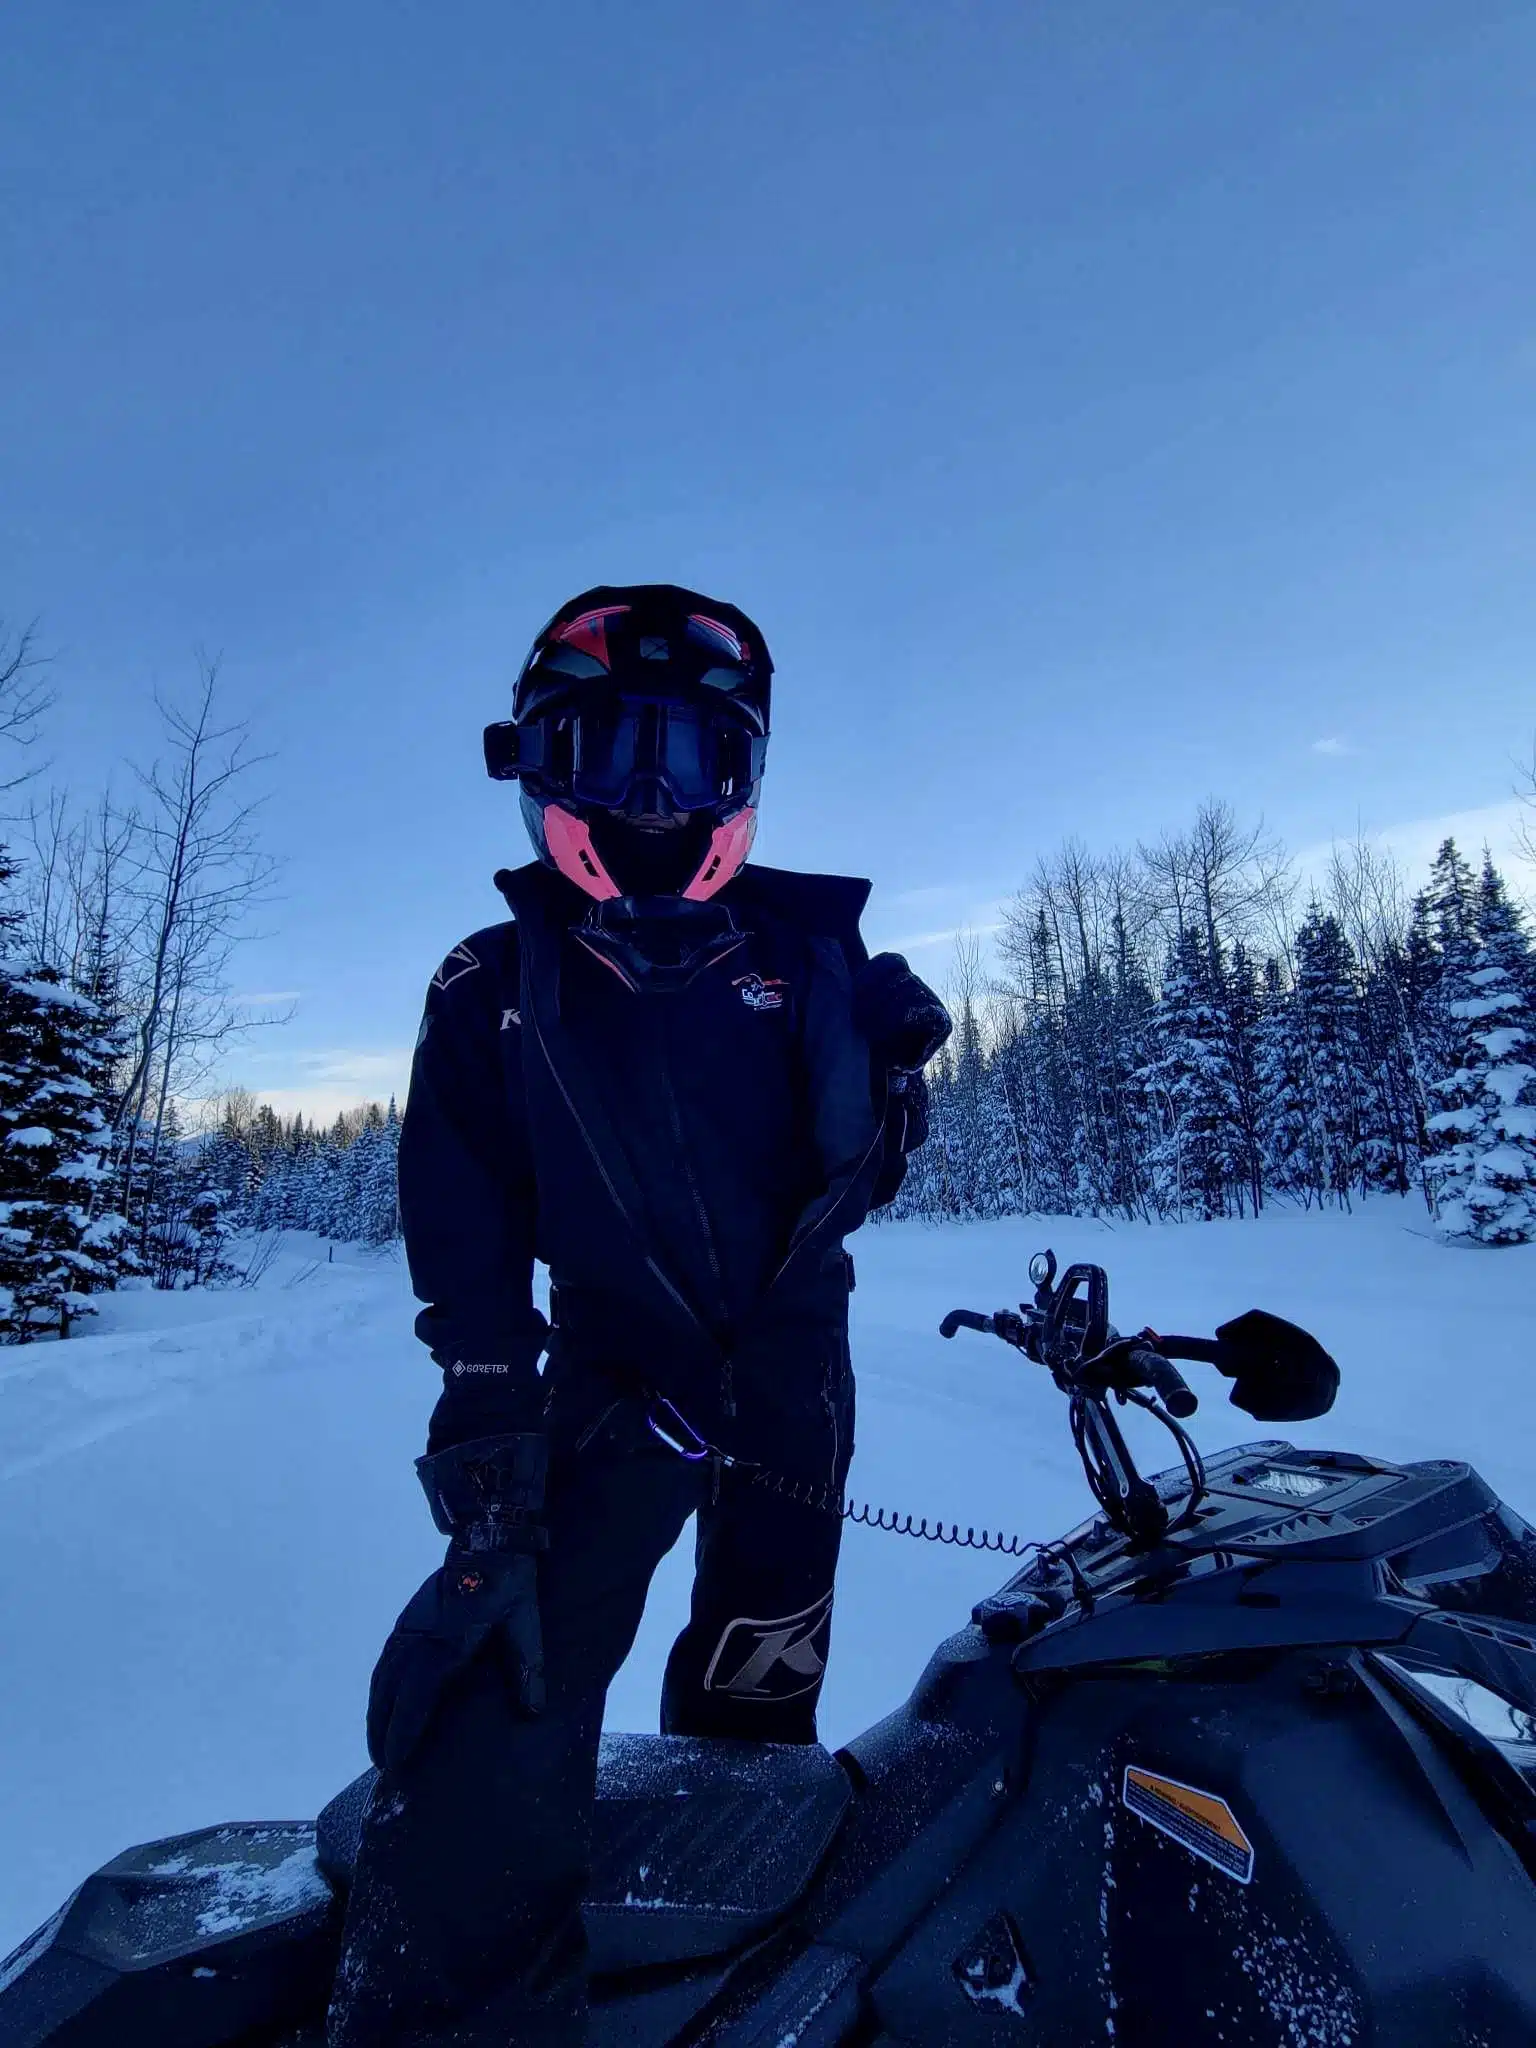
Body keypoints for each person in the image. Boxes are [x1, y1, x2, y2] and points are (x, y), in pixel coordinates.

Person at [327, 585, 951, 2046]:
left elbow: (851, 1188)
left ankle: (728, 1976)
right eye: (612, 751)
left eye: (691, 758)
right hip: (612, 1376)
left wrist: (895, 1090)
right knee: (498, 1687)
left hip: (794, 1370)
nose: (655, 798)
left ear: (742, 777)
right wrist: (484, 1397)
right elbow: (461, 1205)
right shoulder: (494, 984)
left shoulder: (802, 954)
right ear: (539, 760)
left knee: (758, 1687)